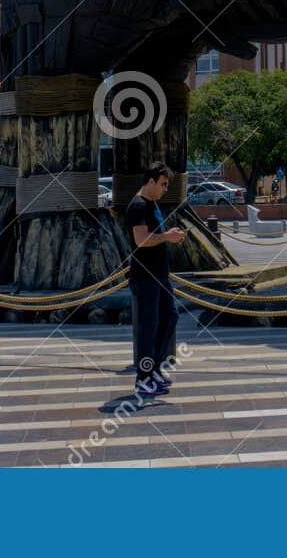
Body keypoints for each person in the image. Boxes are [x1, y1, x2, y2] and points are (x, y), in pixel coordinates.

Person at [125, 164, 185, 399]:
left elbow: (155, 236)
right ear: (150, 181)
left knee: (170, 317)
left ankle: (155, 369)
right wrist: (167, 237)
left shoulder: (152, 204)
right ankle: (143, 378)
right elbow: (140, 240)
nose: (165, 189)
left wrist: (169, 236)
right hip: (145, 277)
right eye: (162, 184)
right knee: (147, 329)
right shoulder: (138, 205)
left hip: (159, 275)